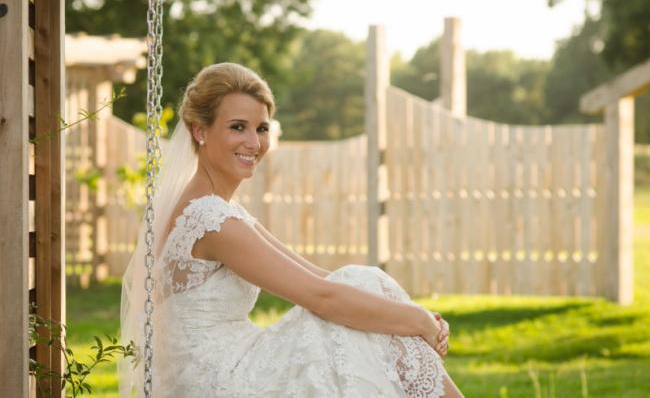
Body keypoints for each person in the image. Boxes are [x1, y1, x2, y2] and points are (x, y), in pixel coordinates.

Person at [119, 62, 464, 398]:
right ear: (200, 130)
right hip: (220, 382)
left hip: (224, 365)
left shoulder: (217, 210)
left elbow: (323, 278)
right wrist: (418, 322)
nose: (254, 143)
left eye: (262, 128)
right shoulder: (211, 220)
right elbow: (320, 296)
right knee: (362, 290)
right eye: (238, 127)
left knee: (362, 285)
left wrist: (410, 317)